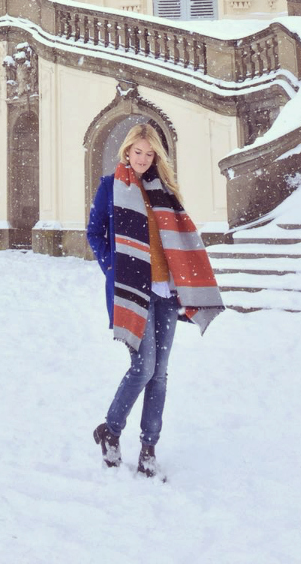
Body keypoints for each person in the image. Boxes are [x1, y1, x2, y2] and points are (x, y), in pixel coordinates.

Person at [86, 123, 224, 478]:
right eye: (138, 152)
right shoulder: (110, 187)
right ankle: (111, 431)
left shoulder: (165, 191)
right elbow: (95, 231)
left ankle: (149, 446)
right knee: (142, 368)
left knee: (160, 374)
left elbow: (178, 236)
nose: (144, 159)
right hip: (134, 293)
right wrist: (112, 266)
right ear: (127, 152)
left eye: (150, 154)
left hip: (165, 292)